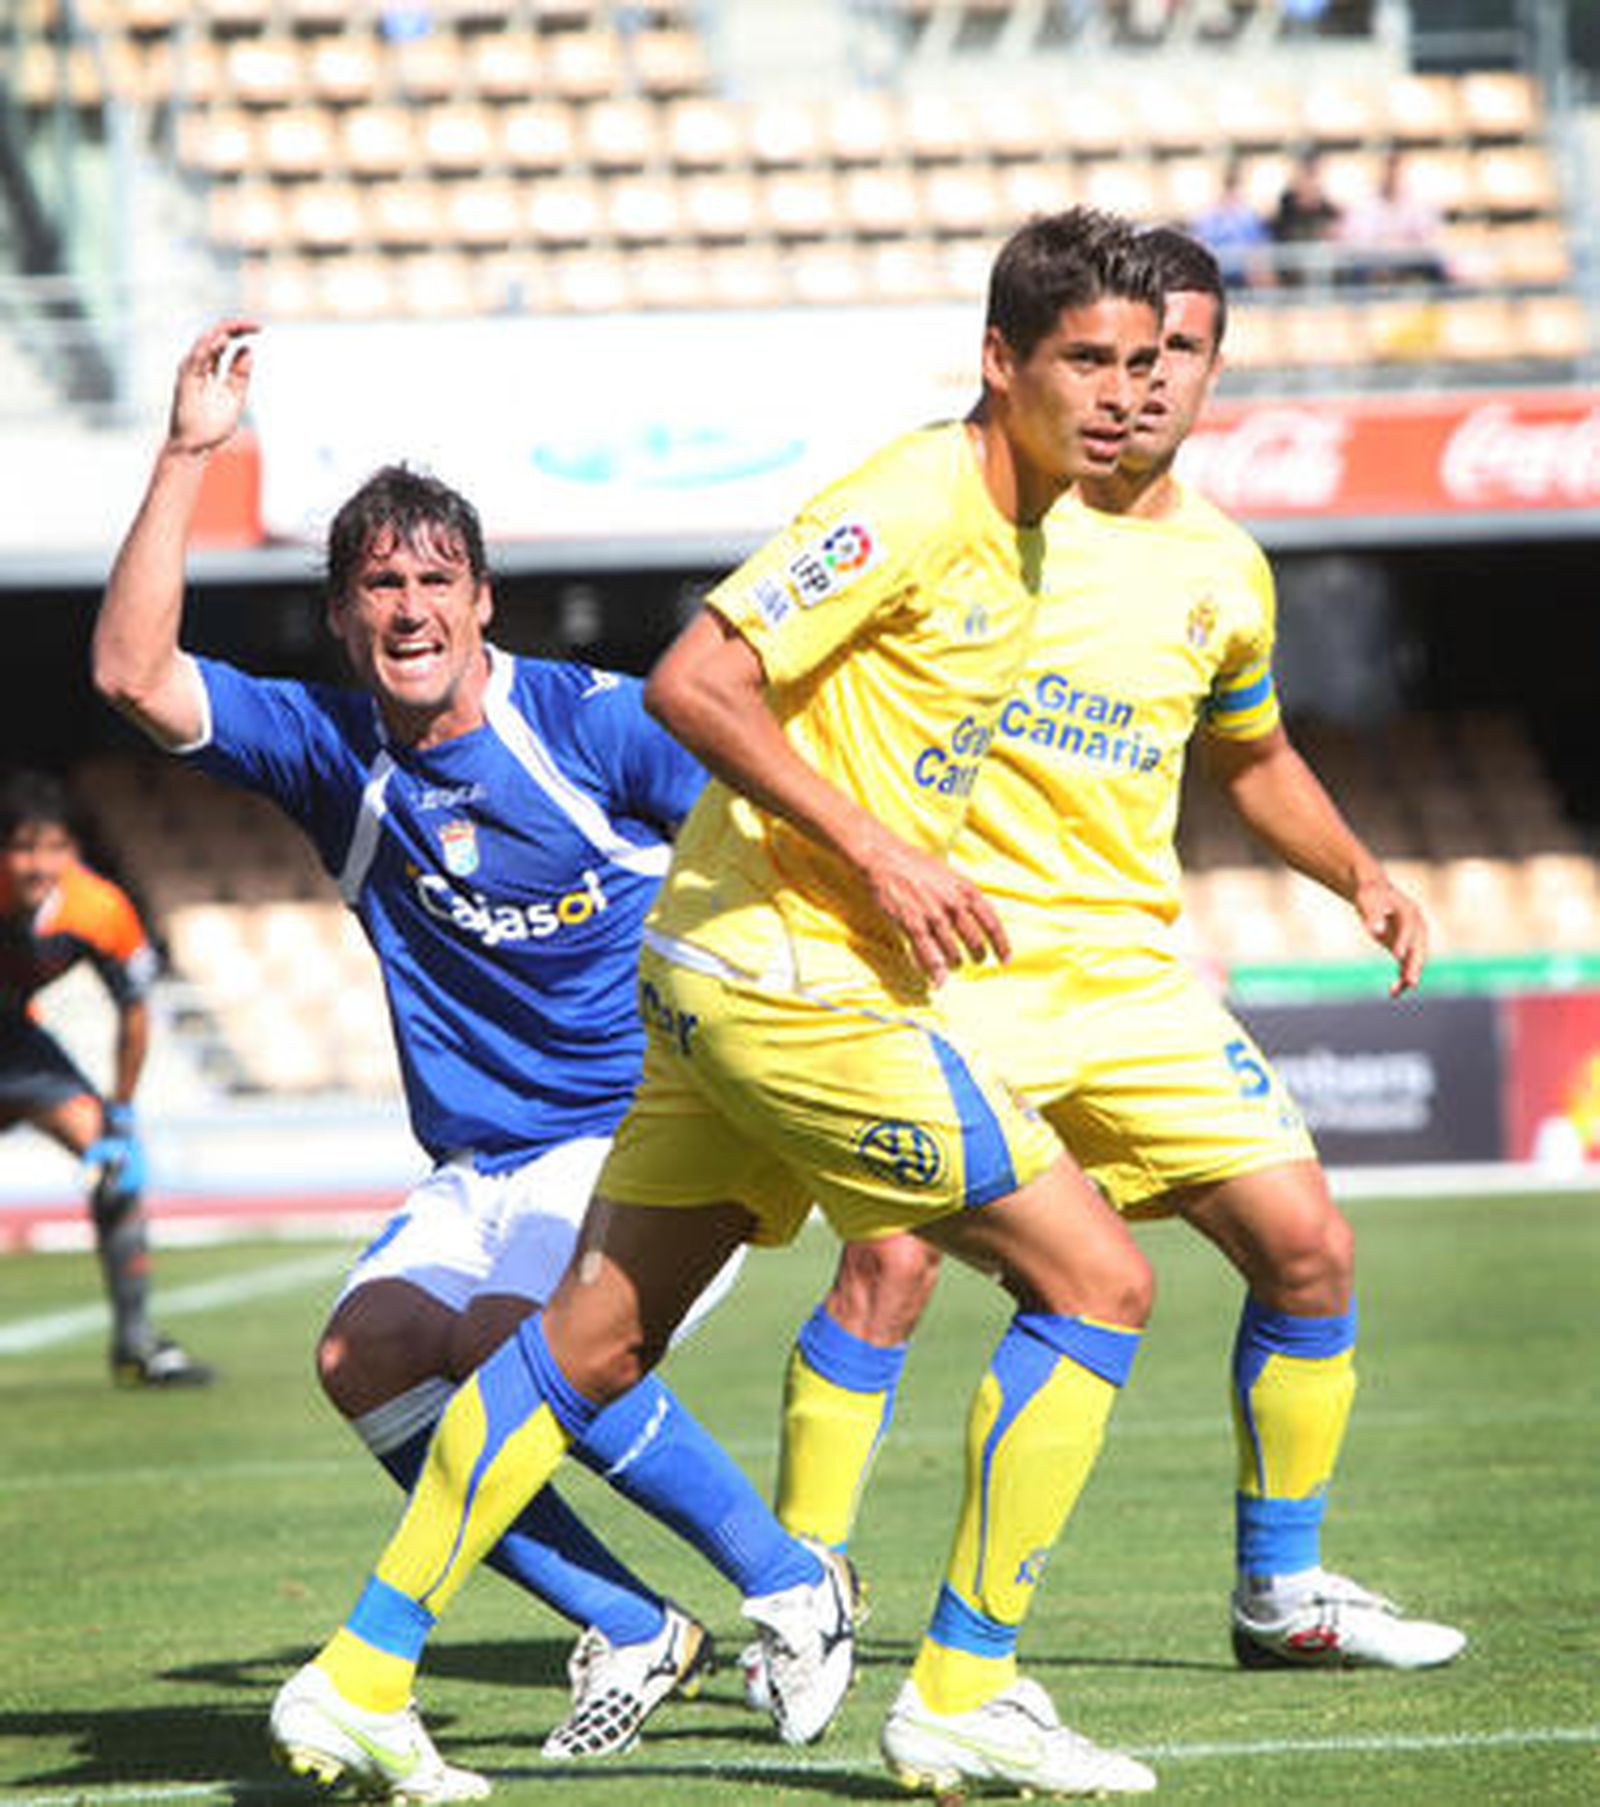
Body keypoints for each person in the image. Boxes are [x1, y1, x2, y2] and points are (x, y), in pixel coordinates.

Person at [261, 206, 1168, 1802]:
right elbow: (695, 681)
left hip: (723, 978)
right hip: (790, 980)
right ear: (999, 362)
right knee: (1098, 1284)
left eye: (1146, 363)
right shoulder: (910, 503)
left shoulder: (1036, 527)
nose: (1123, 395)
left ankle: (361, 1670)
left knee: (575, 1345)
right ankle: (962, 1683)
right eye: (1084, 360)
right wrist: (881, 854)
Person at [90, 321, 874, 1782]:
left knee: (510, 1348)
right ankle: (633, 1622)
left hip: (645, 1136)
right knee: (365, 1351)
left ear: (482, 597)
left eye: (434, 579)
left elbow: (777, 803)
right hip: (480, 1159)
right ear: (338, 613)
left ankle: (790, 1580)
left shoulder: (594, 726)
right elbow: (134, 673)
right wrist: (192, 451)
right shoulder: (330, 749)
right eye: (378, 583)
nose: (408, 606)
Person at [751, 227, 1466, 1693]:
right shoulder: (980, 511)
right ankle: (797, 1595)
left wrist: (1360, 872)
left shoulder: (1223, 568)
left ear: (1209, 367)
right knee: (888, 1260)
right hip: (954, 967)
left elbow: (1253, 757)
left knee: (1312, 1248)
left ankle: (1284, 1585)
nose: (1142, 389)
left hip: (1130, 981)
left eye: (1177, 355)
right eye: (1120, 358)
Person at [0, 767, 213, 1389]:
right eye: (21, 847)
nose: (37, 865)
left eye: (53, 847)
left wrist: (119, 1113)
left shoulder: (100, 909)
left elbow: (135, 1010)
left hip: (18, 1046)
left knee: (116, 1170)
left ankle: (137, 1345)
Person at [1337, 149, 1452, 288]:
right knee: (1354, 273)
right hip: (1373, 261)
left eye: (1396, 172)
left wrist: (1402, 249)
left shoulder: (1418, 202)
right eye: (1388, 172)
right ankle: (1357, 309)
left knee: (1436, 267)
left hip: (1408, 260)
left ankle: (1443, 306)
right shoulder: (1363, 203)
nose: (1392, 177)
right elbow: (1356, 243)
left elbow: (1429, 237)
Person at [1270, 150, 1342, 287]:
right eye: (1308, 173)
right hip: (1291, 264)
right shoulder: (1286, 202)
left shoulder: (1326, 206)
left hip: (1319, 266)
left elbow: (1336, 221)